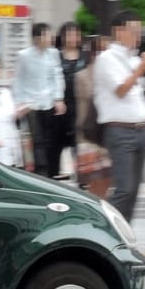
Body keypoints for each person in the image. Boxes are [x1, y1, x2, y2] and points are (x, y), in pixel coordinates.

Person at [93, 10, 145, 222]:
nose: (138, 35)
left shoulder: (133, 60)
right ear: (118, 31)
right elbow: (121, 90)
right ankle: (100, 228)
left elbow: (138, 95)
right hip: (120, 131)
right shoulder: (106, 59)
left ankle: (126, 237)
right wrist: (143, 67)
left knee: (133, 192)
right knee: (123, 190)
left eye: (140, 31)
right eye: (133, 31)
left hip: (140, 130)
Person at [13, 23, 66, 178]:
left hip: (49, 101)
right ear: (36, 38)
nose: (50, 38)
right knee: (37, 140)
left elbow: (57, 75)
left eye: (50, 35)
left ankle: (50, 170)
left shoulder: (54, 53)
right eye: (46, 35)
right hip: (31, 103)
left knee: (50, 139)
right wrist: (20, 102)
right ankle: (40, 172)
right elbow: (18, 80)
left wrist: (59, 98)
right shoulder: (24, 55)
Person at [74, 35, 113, 199]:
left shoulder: (112, 73)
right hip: (89, 135)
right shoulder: (82, 76)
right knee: (94, 181)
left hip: (108, 133)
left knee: (108, 180)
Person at [55, 21, 87, 177]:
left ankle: (82, 177)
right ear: (62, 37)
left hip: (80, 107)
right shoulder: (55, 56)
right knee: (57, 143)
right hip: (60, 107)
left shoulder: (86, 57)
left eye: (76, 34)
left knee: (79, 144)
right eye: (69, 34)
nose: (73, 37)